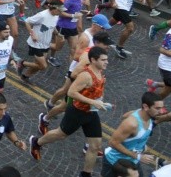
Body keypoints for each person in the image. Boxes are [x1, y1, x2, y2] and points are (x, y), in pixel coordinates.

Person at [30, 46, 111, 177]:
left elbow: (98, 91)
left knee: (95, 146)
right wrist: (93, 102)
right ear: (93, 60)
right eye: (103, 60)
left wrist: (101, 102)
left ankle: (86, 174)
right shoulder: (85, 75)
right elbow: (71, 92)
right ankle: (37, 142)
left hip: (91, 113)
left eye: (106, 59)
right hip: (77, 112)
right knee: (61, 134)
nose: (106, 62)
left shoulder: (100, 72)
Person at [101, 92, 163, 177]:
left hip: (132, 161)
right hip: (115, 161)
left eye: (161, 108)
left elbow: (124, 116)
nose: (161, 111)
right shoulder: (132, 124)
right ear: (145, 107)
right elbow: (112, 143)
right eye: (157, 108)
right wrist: (138, 156)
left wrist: (142, 147)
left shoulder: (148, 116)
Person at [19, 2, 63, 82]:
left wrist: (57, 34)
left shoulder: (56, 16)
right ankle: (22, 63)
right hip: (36, 44)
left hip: (45, 44)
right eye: (59, 10)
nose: (61, 12)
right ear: (54, 9)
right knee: (43, 66)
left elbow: (52, 26)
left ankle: (25, 76)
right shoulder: (42, 15)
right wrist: (32, 34)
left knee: (38, 65)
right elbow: (27, 22)